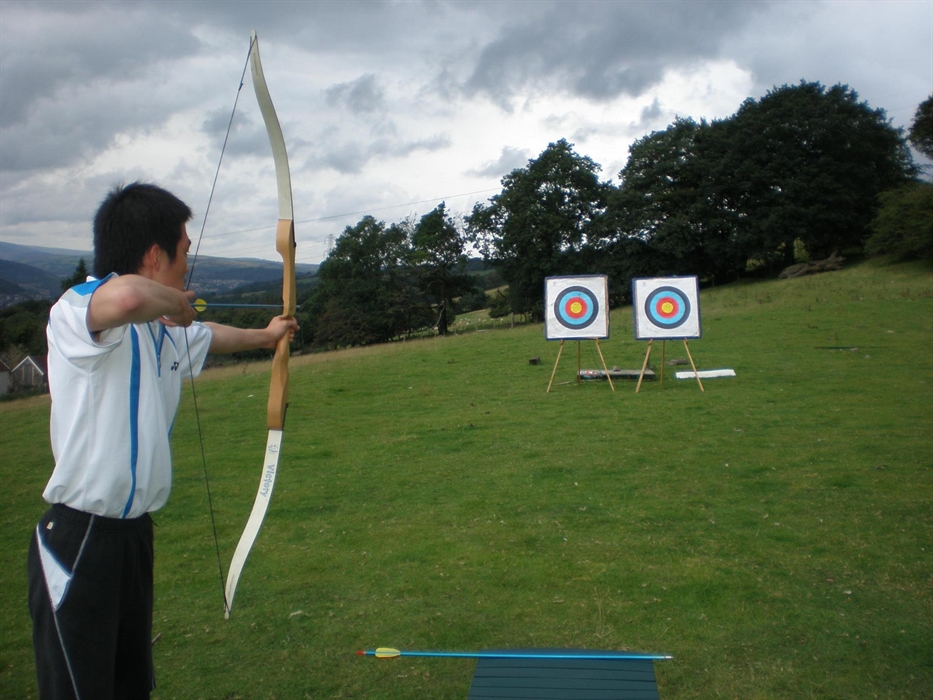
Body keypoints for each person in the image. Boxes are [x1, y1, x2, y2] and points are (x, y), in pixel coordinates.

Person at [26, 182, 298, 700]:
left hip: (133, 537)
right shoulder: (77, 313)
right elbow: (127, 296)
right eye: (183, 253)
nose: (187, 266)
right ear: (155, 256)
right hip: (79, 540)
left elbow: (211, 335)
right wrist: (174, 302)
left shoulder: (160, 332)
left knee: (131, 688)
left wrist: (266, 337)